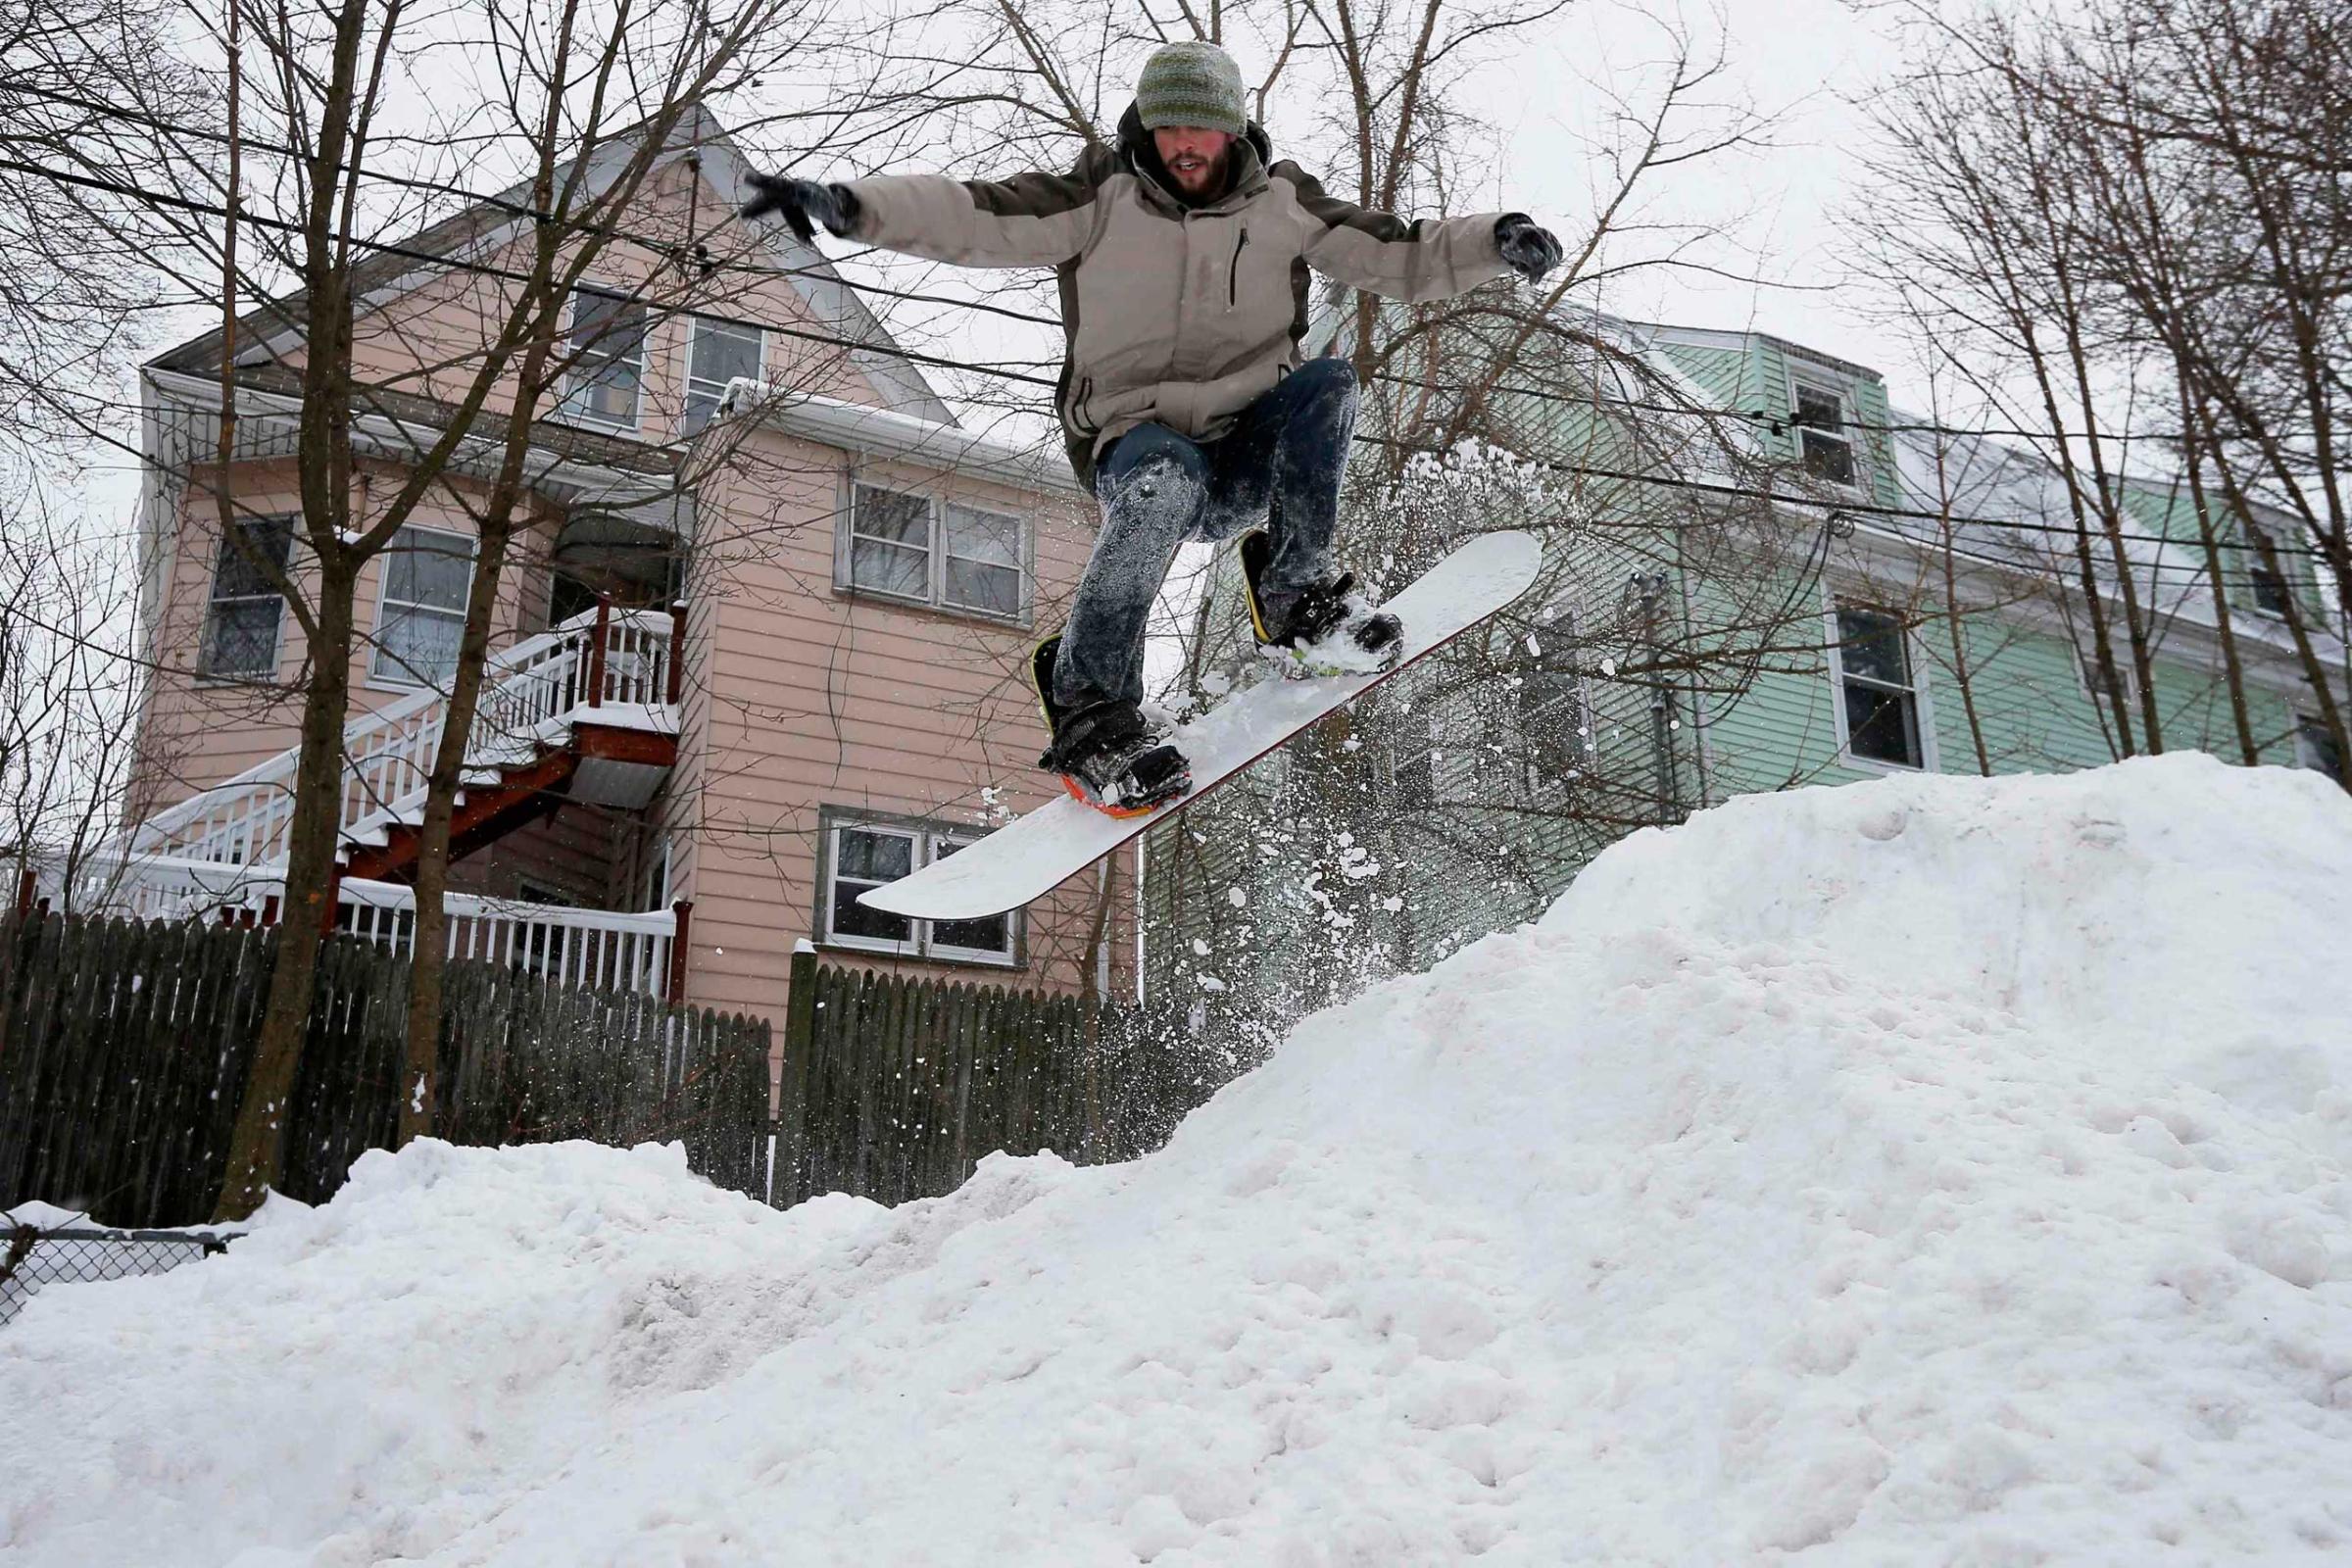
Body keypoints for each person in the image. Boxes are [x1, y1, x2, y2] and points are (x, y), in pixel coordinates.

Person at [744, 40, 1562, 814]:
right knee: (1166, 473)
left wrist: (1494, 241)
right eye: (1168, 125)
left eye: (1201, 126)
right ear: (1147, 126)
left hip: (1243, 452)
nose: (1184, 145)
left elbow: (1397, 250)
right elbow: (979, 216)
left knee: (1331, 382)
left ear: (1232, 128)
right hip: (1139, 444)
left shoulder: (1286, 204)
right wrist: (854, 208)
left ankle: (1297, 596)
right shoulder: (1098, 198)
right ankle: (1091, 708)